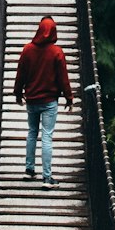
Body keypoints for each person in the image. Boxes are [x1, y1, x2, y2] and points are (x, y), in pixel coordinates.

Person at [13, 14, 74, 186]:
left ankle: (29, 169)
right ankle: (47, 177)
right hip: (49, 102)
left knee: (32, 132)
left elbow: (20, 75)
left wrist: (18, 93)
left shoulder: (27, 50)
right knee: (47, 136)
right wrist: (69, 98)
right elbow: (63, 78)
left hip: (32, 100)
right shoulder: (57, 52)